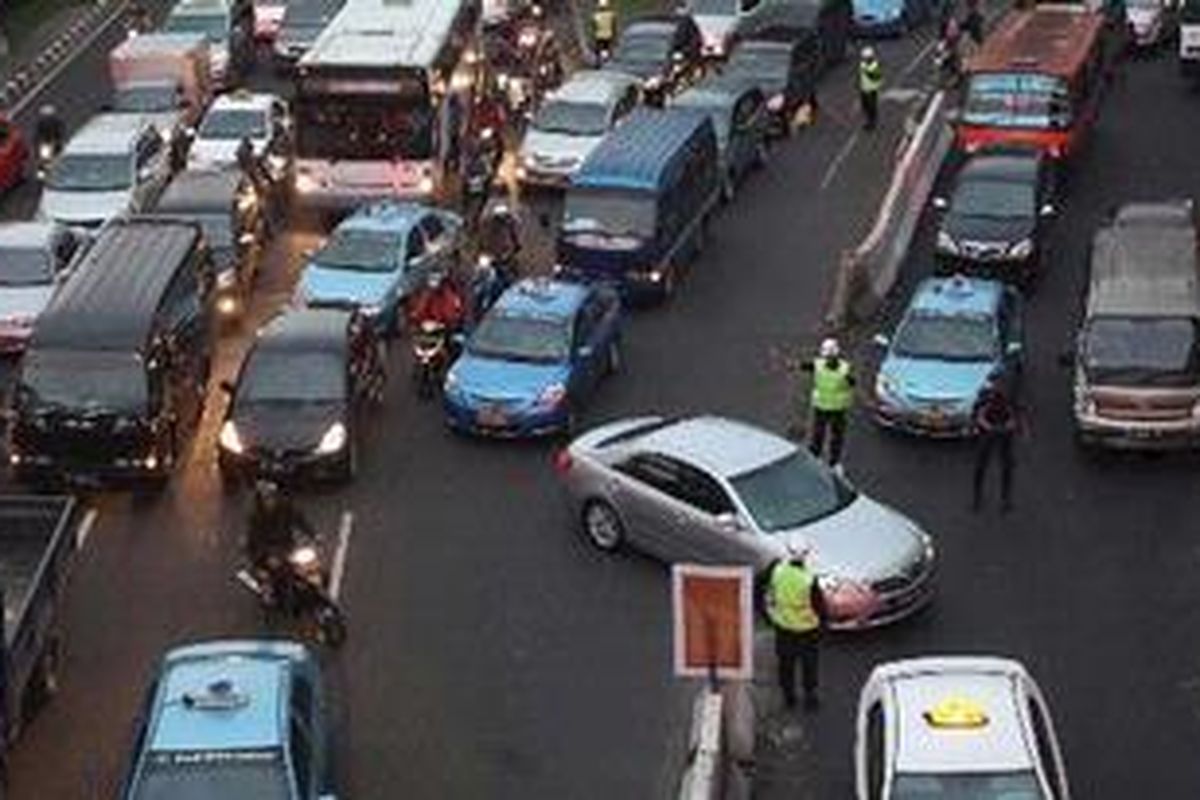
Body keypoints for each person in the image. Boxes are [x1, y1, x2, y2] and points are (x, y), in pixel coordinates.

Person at [757, 548, 827, 711]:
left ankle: (789, 699)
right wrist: (823, 628)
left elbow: (757, 587)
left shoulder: (776, 570)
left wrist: (765, 614)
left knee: (786, 665)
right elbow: (820, 607)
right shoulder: (808, 578)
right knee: (809, 665)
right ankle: (810, 698)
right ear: (805, 556)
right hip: (808, 630)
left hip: (783, 628)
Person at [246, 480, 317, 587]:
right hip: (267, 550)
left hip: (286, 545)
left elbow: (300, 520)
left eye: (271, 497)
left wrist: (314, 535)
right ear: (260, 501)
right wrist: (268, 556)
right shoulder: (255, 517)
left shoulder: (285, 507)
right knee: (272, 576)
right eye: (266, 498)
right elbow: (255, 539)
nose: (269, 501)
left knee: (307, 566)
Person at [802, 337, 855, 467]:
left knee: (830, 436)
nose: (829, 359)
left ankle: (830, 461)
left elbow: (852, 382)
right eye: (828, 357)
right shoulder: (823, 365)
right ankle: (823, 460)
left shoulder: (843, 369)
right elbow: (805, 366)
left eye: (830, 357)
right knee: (822, 435)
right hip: (827, 407)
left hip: (834, 408)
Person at [971, 378, 1019, 512]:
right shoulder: (986, 397)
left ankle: (1004, 499)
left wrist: (1007, 427)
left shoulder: (1008, 398)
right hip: (990, 433)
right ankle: (978, 499)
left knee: (1005, 467)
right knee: (982, 467)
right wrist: (988, 427)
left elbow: (1015, 417)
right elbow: (978, 415)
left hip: (1001, 433)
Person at [858, 48, 884, 131]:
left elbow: (876, 77)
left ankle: (872, 123)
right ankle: (868, 121)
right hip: (864, 89)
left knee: (872, 107)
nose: (865, 60)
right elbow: (861, 75)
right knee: (865, 106)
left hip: (872, 90)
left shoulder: (875, 66)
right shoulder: (862, 65)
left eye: (866, 58)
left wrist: (867, 72)